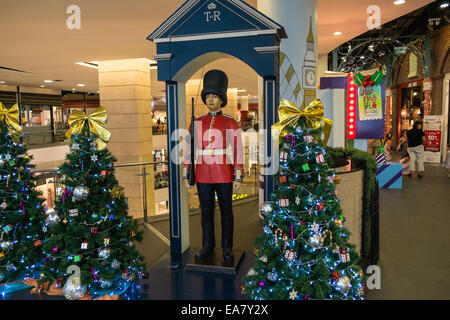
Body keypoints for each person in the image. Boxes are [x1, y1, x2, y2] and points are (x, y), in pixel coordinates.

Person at [183, 70, 244, 263]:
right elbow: (189, 149)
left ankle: (227, 247)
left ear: (221, 99)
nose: (210, 99)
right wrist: (187, 173)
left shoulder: (230, 122)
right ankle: (207, 246)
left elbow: (238, 150)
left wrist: (238, 174)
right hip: (202, 173)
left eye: (214, 96)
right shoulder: (197, 122)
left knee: (227, 212)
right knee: (205, 212)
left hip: (224, 172)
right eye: (208, 96)